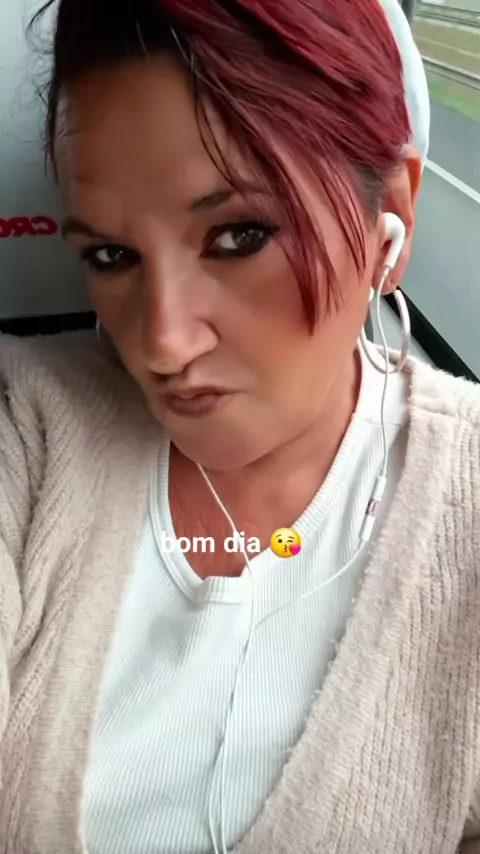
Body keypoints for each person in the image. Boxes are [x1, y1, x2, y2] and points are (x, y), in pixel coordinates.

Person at [0, 0, 479, 852]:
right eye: (112, 256)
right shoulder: (24, 434)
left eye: (239, 235)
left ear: (392, 223)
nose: (163, 342)